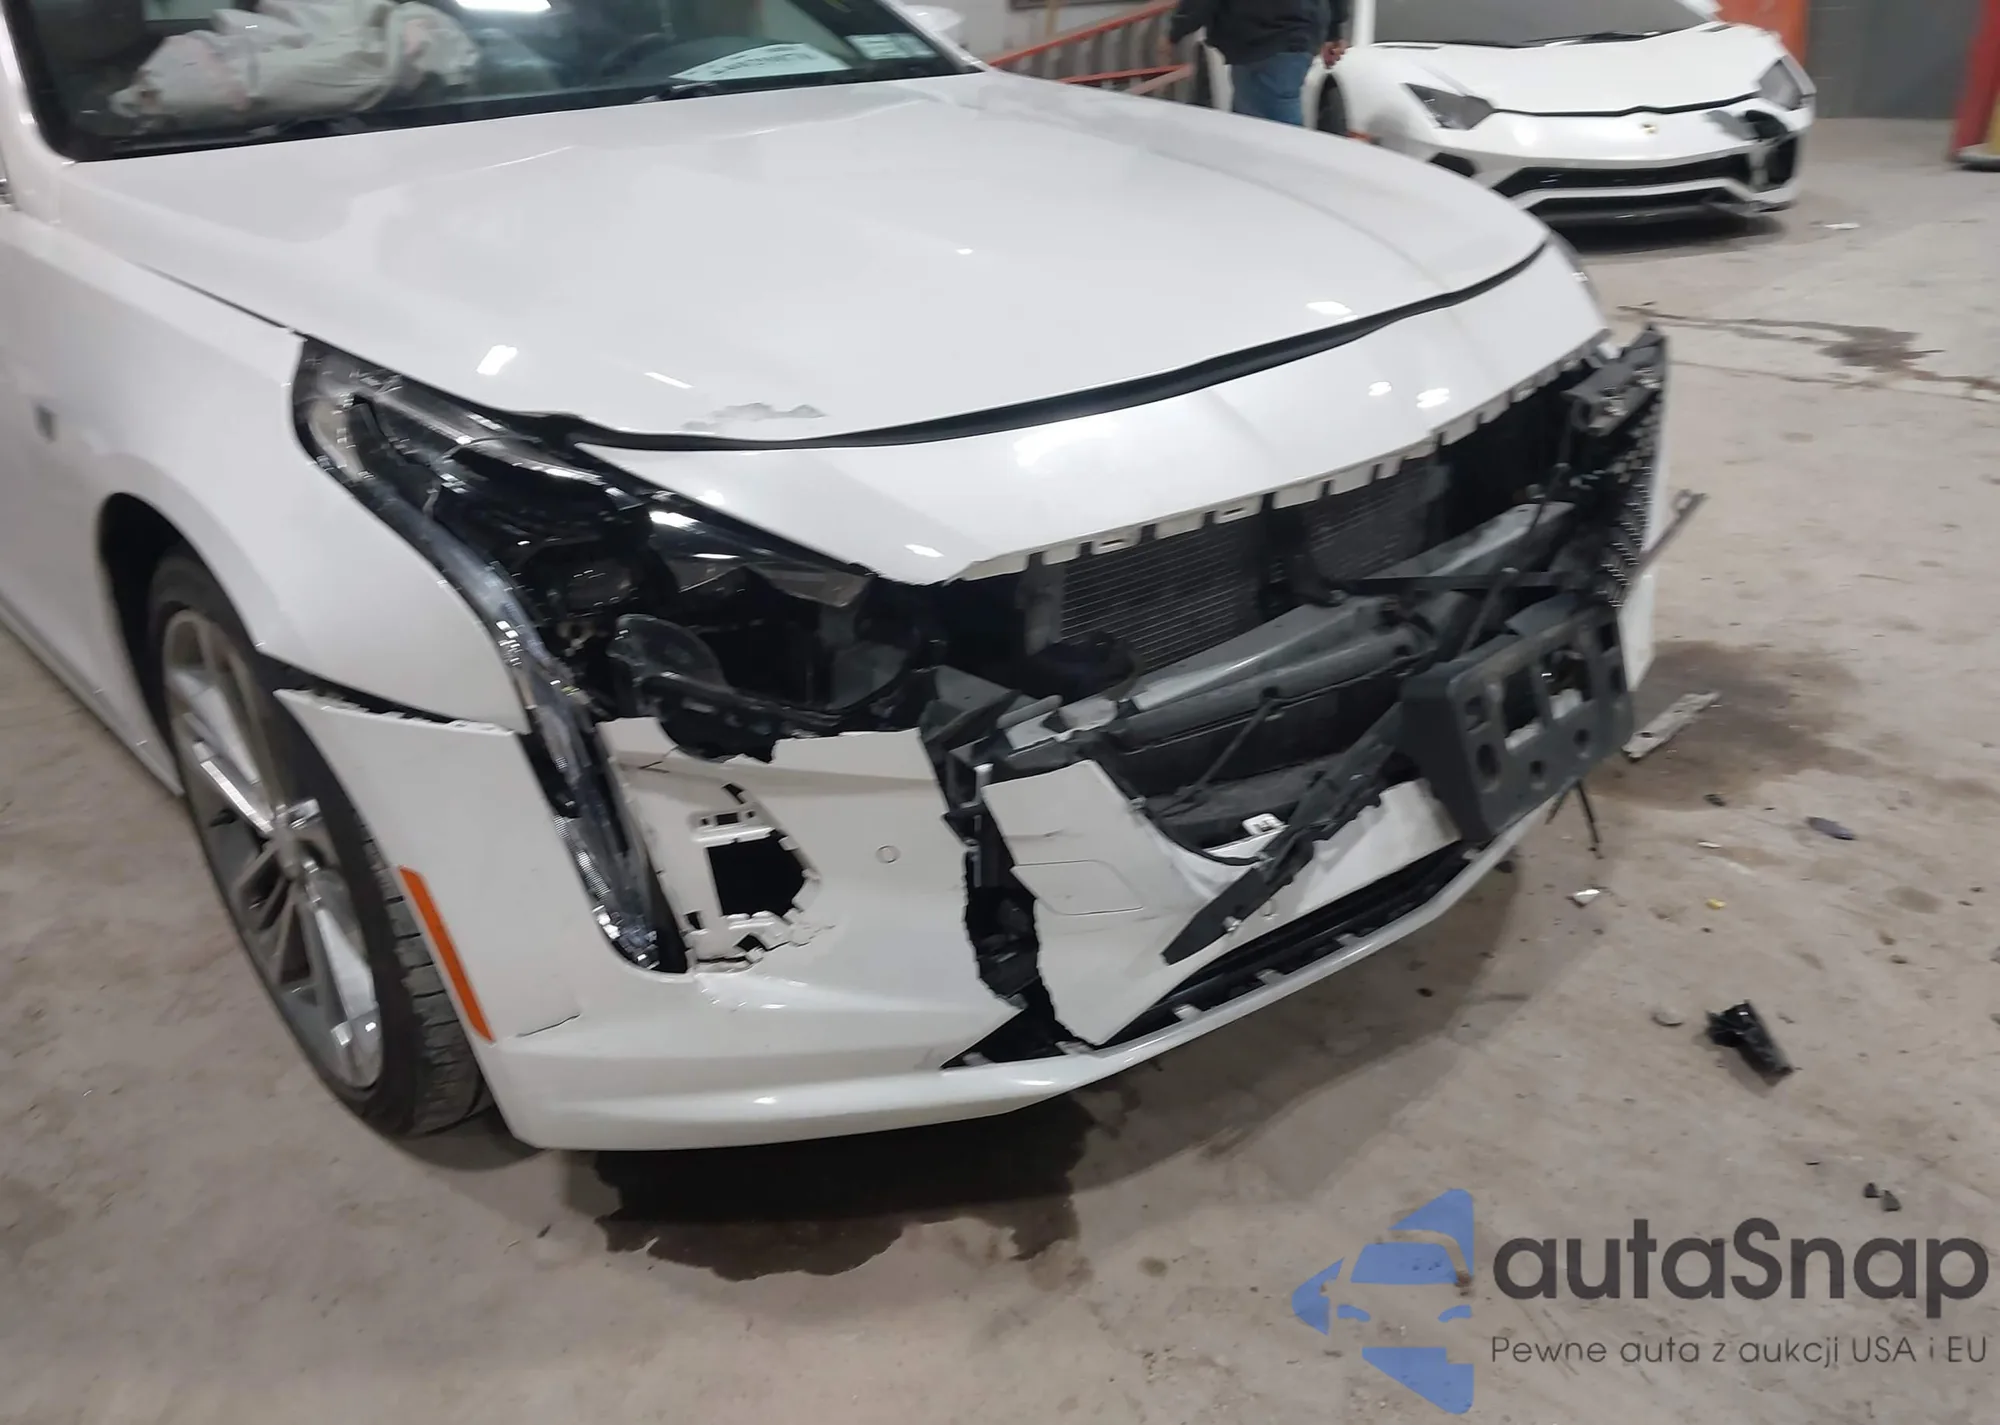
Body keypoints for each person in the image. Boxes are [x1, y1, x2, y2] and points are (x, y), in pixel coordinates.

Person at [1167, 0, 1349, 127]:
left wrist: (1175, 32)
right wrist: (1333, 32)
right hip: (1297, 35)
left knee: (1268, 135)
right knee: (1262, 130)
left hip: (1260, 35)